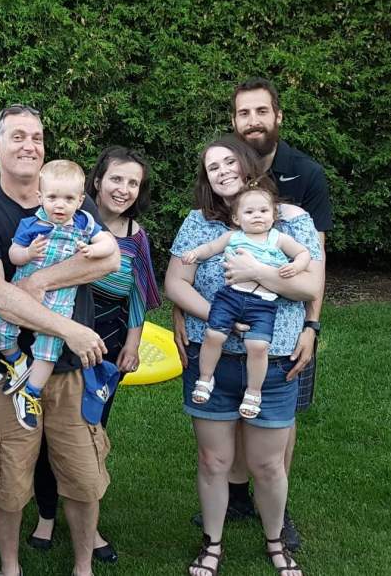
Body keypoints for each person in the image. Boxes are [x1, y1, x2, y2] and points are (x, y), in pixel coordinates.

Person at [181, 77, 333, 549]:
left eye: (230, 162)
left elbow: (312, 279)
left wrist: (261, 277)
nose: (223, 171)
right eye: (214, 166)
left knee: (272, 448)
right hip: (217, 340)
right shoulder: (201, 220)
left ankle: (276, 523)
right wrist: (218, 316)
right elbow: (176, 281)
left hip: (278, 343)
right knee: (216, 457)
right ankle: (222, 528)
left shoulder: (292, 212)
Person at [0, 104, 119, 576]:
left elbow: (106, 261)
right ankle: (10, 567)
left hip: (71, 374)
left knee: (82, 474)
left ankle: (82, 567)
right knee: (7, 476)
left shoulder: (73, 198)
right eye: (16, 136)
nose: (28, 145)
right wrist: (69, 328)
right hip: (8, 372)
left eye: (36, 136)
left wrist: (36, 283)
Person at [27, 145, 162, 564]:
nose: (123, 189)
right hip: (60, 338)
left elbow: (138, 295)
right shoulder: (68, 220)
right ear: (97, 182)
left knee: (91, 433)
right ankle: (46, 514)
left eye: (133, 182)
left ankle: (90, 521)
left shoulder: (137, 236)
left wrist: (134, 344)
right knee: (46, 430)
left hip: (108, 345)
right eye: (116, 179)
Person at [0, 159, 115, 430]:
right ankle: (18, 361)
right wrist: (28, 253)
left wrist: (95, 250)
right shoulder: (31, 224)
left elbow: (108, 243)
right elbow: (14, 253)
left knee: (49, 348)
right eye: (53, 197)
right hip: (24, 291)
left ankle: (30, 392)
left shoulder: (84, 223)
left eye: (68, 199)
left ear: (80, 200)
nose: (60, 205)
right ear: (40, 197)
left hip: (60, 297)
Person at [183, 185, 312, 419]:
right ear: (237, 218)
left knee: (258, 346)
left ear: (274, 215)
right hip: (230, 297)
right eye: (250, 212)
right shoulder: (233, 236)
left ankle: (254, 392)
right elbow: (211, 248)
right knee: (213, 335)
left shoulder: (278, 238)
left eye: (264, 211)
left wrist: (296, 265)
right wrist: (196, 254)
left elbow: (304, 253)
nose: (257, 216)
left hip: (262, 303)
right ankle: (205, 378)